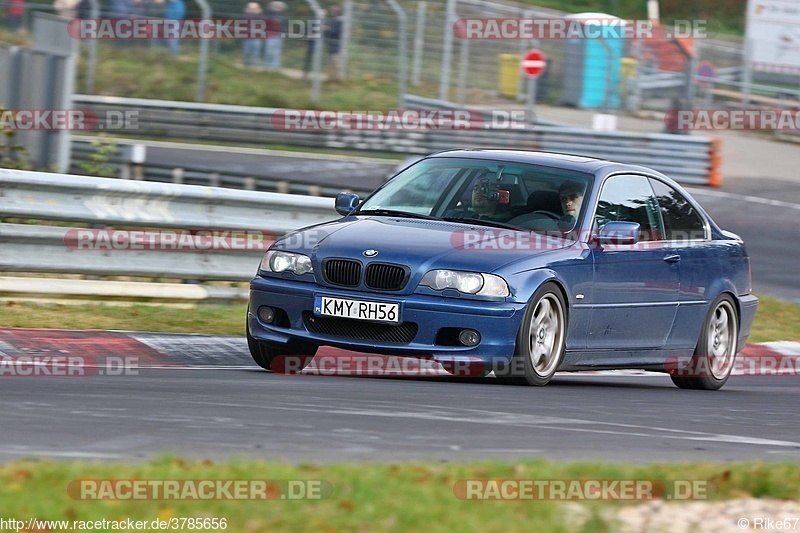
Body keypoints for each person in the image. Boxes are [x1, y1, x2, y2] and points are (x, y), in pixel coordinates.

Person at [443, 174, 513, 222]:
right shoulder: (452, 216)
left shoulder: (511, 224)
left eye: (485, 189)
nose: (478, 192)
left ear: (500, 195)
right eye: (476, 188)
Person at [263, 1, 285, 71]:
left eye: (279, 7)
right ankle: (267, 66)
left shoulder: (283, 16)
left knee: (277, 51)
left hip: (279, 35)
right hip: (270, 35)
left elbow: (283, 26)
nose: (277, 8)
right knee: (269, 50)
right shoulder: (269, 15)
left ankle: (275, 67)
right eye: (276, 7)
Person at [241, 2, 263, 68]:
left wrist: (259, 14)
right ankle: (246, 65)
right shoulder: (245, 16)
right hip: (247, 37)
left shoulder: (260, 17)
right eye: (251, 8)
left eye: (254, 9)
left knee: (255, 52)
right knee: (246, 52)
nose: (252, 10)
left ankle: (254, 65)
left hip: (256, 37)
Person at [324, 4, 343, 79]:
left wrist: (328, 28)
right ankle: (330, 78)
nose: (331, 12)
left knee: (335, 63)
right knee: (330, 63)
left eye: (333, 11)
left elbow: (336, 31)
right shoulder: (334, 20)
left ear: (336, 12)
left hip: (336, 46)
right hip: (332, 46)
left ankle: (335, 79)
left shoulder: (339, 21)